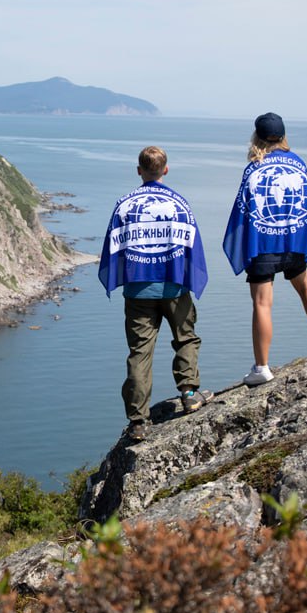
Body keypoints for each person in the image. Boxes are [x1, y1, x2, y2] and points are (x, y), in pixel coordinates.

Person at [99, 146, 213, 442]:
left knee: (139, 353)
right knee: (185, 337)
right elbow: (192, 246)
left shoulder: (124, 204)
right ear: (166, 169)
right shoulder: (179, 204)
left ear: (139, 170)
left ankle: (138, 420)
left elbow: (115, 247)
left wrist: (123, 277)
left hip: (138, 289)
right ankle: (189, 394)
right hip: (174, 285)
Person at [222, 112, 307, 386]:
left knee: (262, 302)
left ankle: (262, 367)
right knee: (305, 285)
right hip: (293, 239)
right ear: (283, 136)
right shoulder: (298, 163)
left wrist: (242, 242)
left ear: (257, 138)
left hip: (263, 242)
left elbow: (244, 208)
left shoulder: (254, 168)